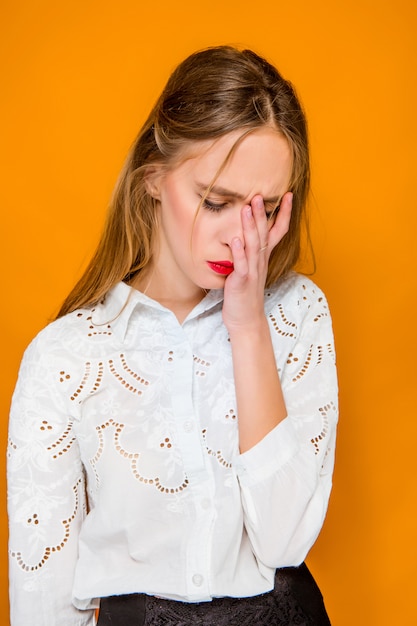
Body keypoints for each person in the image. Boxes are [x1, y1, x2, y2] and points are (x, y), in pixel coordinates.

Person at [7, 46, 338, 625]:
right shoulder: (65, 358)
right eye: (216, 201)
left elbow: (285, 542)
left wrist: (248, 325)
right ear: (154, 180)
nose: (242, 237)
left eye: (262, 212)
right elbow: (45, 601)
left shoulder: (296, 314)